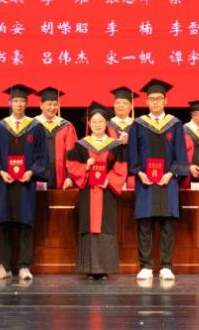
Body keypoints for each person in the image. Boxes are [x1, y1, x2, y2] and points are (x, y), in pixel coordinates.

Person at [0, 83, 48, 281]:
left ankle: (24, 266)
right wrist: (0, 171)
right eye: (16, 101)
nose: (19, 104)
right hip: (5, 184)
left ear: (27, 103)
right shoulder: (0, 127)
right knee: (3, 224)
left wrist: (32, 171)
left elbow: (41, 156)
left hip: (25, 185)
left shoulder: (35, 128)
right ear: (10, 102)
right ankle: (3, 266)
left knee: (25, 224)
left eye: (22, 101)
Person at [130, 78, 188, 281]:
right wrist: (139, 173)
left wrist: (170, 174)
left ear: (165, 101)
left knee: (167, 224)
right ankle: (146, 265)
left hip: (167, 181)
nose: (155, 102)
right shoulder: (138, 125)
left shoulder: (175, 125)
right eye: (152, 99)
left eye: (159, 98)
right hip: (145, 181)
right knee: (145, 224)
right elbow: (133, 153)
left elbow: (181, 154)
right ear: (146, 101)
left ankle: (166, 265)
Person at [66, 102, 128, 279]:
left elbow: (121, 167)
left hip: (107, 192)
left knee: (105, 227)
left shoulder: (115, 145)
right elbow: (72, 165)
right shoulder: (81, 145)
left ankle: (104, 269)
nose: (98, 124)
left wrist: (109, 180)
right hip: (88, 191)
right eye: (94, 121)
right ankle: (89, 268)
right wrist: (86, 167)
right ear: (89, 123)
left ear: (107, 123)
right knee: (88, 226)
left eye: (101, 121)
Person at [35, 86, 78, 189]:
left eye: (55, 104)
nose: (52, 107)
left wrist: (69, 177)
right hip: (36, 177)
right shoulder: (32, 126)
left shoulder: (66, 126)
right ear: (41, 105)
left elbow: (73, 154)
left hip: (61, 179)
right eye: (49, 104)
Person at [107, 85, 137, 190]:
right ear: (113, 105)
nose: (121, 106)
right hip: (111, 175)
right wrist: (116, 143)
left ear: (131, 106)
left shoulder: (138, 125)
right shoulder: (106, 125)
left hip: (134, 175)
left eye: (125, 103)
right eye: (118, 102)